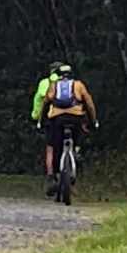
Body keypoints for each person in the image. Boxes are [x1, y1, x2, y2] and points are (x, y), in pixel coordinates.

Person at [32, 62, 97, 196]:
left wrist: (42, 120)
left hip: (57, 119)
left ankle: (54, 174)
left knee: (55, 146)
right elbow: (89, 103)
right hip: (75, 118)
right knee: (81, 130)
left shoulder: (54, 85)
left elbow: (45, 103)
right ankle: (77, 150)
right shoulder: (78, 85)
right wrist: (93, 120)